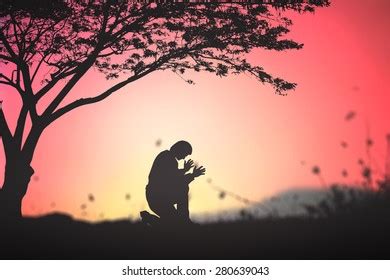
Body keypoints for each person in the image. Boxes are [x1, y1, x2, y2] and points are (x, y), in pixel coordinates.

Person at [145, 140, 205, 224]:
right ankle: (184, 219)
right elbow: (175, 181)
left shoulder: (167, 157)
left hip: (158, 198)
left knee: (173, 222)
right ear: (179, 150)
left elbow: (172, 176)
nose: (184, 158)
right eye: (184, 154)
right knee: (183, 188)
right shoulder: (167, 158)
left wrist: (185, 170)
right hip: (158, 199)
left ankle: (150, 219)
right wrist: (192, 175)